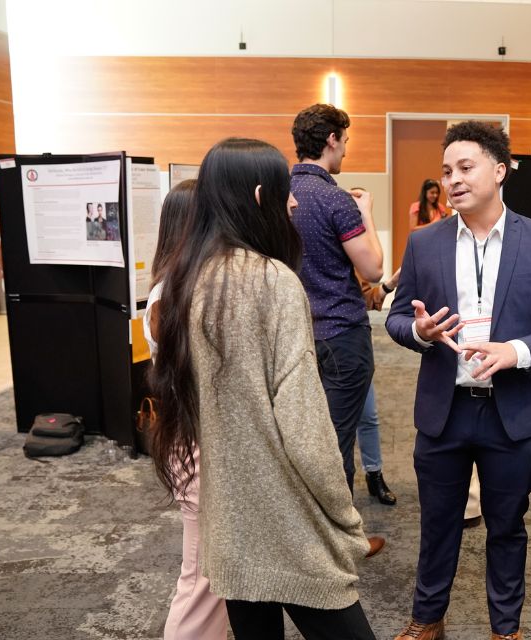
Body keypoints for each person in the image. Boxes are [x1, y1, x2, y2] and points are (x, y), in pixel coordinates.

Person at [147, 138, 375, 640]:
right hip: (286, 516)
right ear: (257, 196)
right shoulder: (274, 281)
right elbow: (305, 425)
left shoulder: (187, 281)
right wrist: (344, 517)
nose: (293, 202)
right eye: (283, 191)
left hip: (229, 522)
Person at [385, 121, 531, 640]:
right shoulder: (424, 243)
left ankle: (505, 630)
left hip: (511, 413)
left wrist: (515, 351)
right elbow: (396, 318)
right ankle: (427, 620)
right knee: (437, 526)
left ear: (499, 170)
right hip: (443, 412)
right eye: (446, 171)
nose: (452, 180)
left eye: (465, 168)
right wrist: (422, 332)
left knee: (508, 528)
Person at [141, 179, 229, 640]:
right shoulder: (174, 295)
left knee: (210, 573)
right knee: (199, 578)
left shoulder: (170, 288)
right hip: (195, 441)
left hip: (189, 438)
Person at [289, 104, 384, 498]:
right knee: (337, 445)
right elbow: (374, 269)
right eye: (344, 141)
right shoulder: (336, 199)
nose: (345, 150)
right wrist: (368, 215)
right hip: (342, 337)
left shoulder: (283, 194)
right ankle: (338, 544)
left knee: (306, 441)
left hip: (295, 336)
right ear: (331, 140)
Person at [356, 269, 400, 506]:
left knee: (368, 414)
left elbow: (367, 298)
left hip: (352, 346)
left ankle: (374, 475)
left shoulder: (345, 256)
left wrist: (390, 284)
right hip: (313, 347)